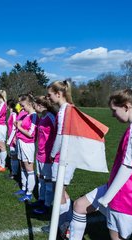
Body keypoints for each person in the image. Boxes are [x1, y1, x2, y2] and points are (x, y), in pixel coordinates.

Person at [69, 87, 132, 240]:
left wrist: (107, 198)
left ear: (126, 107)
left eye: (114, 110)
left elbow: (128, 167)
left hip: (124, 195)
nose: (112, 114)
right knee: (79, 206)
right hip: (120, 188)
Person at [44, 80, 76, 236]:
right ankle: (66, 223)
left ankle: (63, 227)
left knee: (59, 194)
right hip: (66, 157)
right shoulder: (68, 108)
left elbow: (61, 135)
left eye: (50, 95)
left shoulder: (65, 110)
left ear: (59, 94)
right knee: (62, 192)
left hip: (62, 158)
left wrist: (51, 154)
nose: (48, 98)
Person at [31, 96, 58, 214]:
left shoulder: (51, 117)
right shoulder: (43, 117)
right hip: (40, 153)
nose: (33, 106)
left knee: (47, 181)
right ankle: (41, 200)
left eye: (35, 104)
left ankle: (47, 205)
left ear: (40, 105)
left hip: (48, 155)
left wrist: (53, 153)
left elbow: (59, 135)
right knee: (41, 178)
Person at [14, 94, 38, 202]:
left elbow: (31, 134)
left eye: (23, 105)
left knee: (29, 169)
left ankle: (29, 193)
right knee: (22, 166)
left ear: (29, 103)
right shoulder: (27, 115)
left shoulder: (34, 116)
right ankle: (24, 188)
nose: (22, 108)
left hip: (27, 144)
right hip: (21, 142)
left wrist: (19, 127)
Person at [6, 99, 19, 179]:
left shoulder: (14, 114)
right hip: (10, 136)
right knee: (12, 155)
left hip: (13, 137)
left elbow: (14, 127)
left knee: (14, 155)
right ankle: (13, 172)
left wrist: (10, 139)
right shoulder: (11, 113)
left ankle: (14, 173)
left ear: (9, 105)